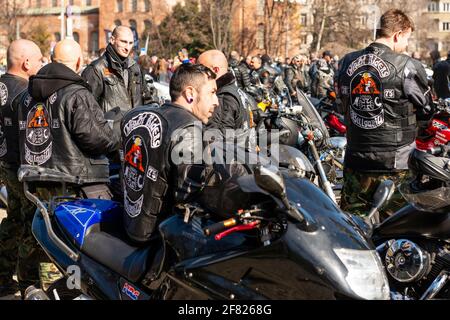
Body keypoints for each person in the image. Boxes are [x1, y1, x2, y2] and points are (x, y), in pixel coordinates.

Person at [336, 9, 432, 219]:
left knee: (354, 228)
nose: (405, 45)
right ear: (398, 34)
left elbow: (341, 105)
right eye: (406, 38)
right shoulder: (408, 65)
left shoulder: (345, 62)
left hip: (356, 159)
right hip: (395, 163)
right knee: (397, 227)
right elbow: (427, 110)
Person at [120, 63, 219, 243]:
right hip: (159, 240)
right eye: (212, 92)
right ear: (190, 93)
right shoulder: (189, 129)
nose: (216, 101)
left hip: (131, 226)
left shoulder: (142, 115)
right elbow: (189, 198)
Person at [18, 39, 120, 201]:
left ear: (52, 60)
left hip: (37, 183)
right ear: (79, 62)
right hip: (75, 185)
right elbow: (97, 140)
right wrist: (116, 134)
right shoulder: (77, 94)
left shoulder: (25, 96)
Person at [0, 39, 44, 297]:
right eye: (39, 59)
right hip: (22, 169)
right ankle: (30, 283)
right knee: (32, 225)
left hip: (5, 164)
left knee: (14, 220)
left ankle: (4, 276)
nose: (41, 64)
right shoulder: (26, 93)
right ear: (26, 63)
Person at [82, 26, 150, 114]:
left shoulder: (135, 67)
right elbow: (86, 109)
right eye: (124, 42)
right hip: (109, 126)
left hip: (134, 125)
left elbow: (147, 97)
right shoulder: (96, 69)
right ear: (112, 40)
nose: (127, 47)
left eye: (130, 43)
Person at [198, 50, 255, 150]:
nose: (197, 74)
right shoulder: (235, 90)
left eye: (201, 69)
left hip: (234, 160)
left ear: (215, 70)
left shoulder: (223, 97)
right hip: (243, 157)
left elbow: (217, 144)